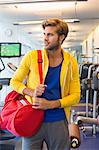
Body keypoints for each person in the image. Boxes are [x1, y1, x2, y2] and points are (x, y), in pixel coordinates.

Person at [10, 18, 80, 150]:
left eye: (50, 35)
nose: (45, 38)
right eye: (44, 34)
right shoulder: (32, 56)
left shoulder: (71, 62)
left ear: (61, 37)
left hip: (58, 119)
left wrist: (51, 104)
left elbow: (76, 95)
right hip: (32, 119)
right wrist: (31, 92)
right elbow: (14, 82)